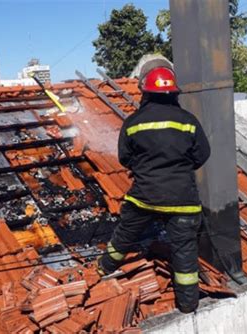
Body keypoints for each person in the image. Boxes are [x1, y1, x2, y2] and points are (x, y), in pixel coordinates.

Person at [97, 60, 211, 313]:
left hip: (144, 198)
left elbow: (125, 158)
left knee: (124, 236)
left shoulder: (133, 122)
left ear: (144, 90)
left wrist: (146, 167)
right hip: (183, 200)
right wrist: (178, 168)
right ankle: (188, 305)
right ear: (174, 91)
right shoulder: (188, 120)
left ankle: (102, 269)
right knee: (185, 253)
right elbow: (202, 155)